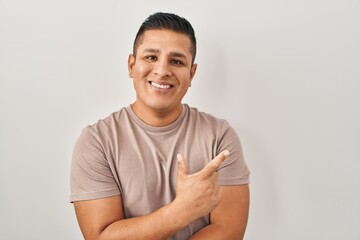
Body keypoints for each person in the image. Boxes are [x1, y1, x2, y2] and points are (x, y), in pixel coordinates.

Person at [70, 12, 250, 240]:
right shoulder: (96, 142)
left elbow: (229, 231)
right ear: (131, 65)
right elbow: (100, 237)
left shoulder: (220, 137)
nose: (162, 70)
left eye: (176, 61)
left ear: (192, 74)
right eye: (151, 57)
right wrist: (180, 212)